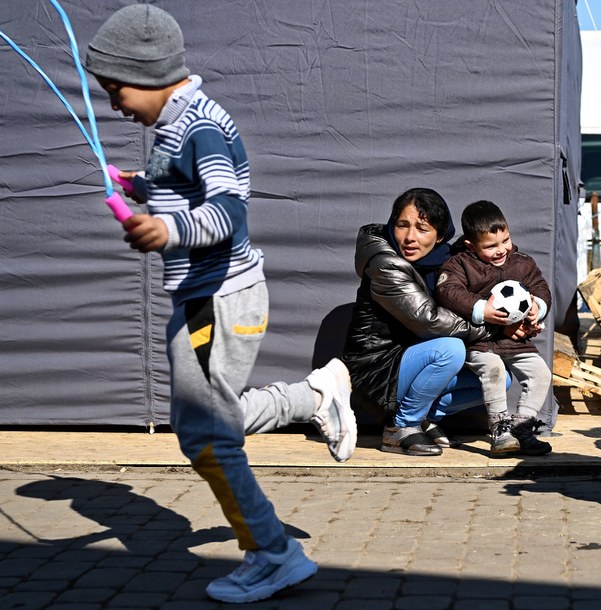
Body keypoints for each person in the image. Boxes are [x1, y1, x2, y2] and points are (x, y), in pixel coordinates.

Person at [85, 5, 357, 603]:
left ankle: (274, 554)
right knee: (201, 424)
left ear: (150, 73)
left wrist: (165, 232)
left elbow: (227, 210)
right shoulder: (176, 125)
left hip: (219, 300)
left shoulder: (200, 126)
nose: (114, 105)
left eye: (115, 89)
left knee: (208, 437)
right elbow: (187, 186)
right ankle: (312, 397)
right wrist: (138, 185)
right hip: (204, 297)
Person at [342, 188, 523, 456]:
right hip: (376, 371)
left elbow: (497, 260)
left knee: (500, 379)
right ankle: (401, 427)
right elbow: (428, 321)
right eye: (402, 225)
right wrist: (494, 325)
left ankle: (422, 417)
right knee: (450, 350)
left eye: (422, 229)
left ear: (439, 235)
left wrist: (528, 309)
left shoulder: (446, 260)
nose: (410, 237)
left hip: (409, 363)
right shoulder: (385, 265)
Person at [435, 200, 553, 456]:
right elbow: (448, 292)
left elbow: (541, 287)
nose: (501, 250)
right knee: (494, 369)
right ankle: (500, 430)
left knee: (541, 374)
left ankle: (523, 427)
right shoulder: (458, 265)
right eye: (490, 246)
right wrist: (481, 310)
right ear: (470, 245)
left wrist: (538, 306)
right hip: (480, 342)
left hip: (516, 341)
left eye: (505, 241)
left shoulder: (523, 263)